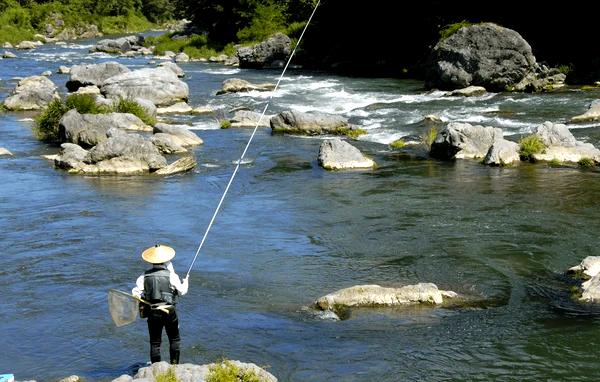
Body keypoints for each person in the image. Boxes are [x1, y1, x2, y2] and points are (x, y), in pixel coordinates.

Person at [132, 244, 189, 364]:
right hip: (169, 311)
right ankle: (174, 366)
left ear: (152, 261)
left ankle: (155, 368)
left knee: (155, 343)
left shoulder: (144, 276)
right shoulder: (172, 276)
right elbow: (182, 292)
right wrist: (186, 282)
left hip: (153, 312)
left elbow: (135, 293)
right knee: (174, 339)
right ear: (166, 260)